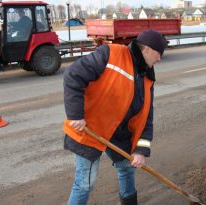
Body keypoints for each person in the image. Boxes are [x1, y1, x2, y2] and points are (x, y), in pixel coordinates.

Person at [63, 29, 167, 205]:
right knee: (85, 183)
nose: (160, 59)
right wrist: (76, 115)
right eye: (159, 54)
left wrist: (141, 151)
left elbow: (146, 115)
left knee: (127, 168)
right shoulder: (111, 54)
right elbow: (73, 75)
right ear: (148, 50)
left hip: (120, 132)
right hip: (91, 128)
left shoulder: (147, 77)